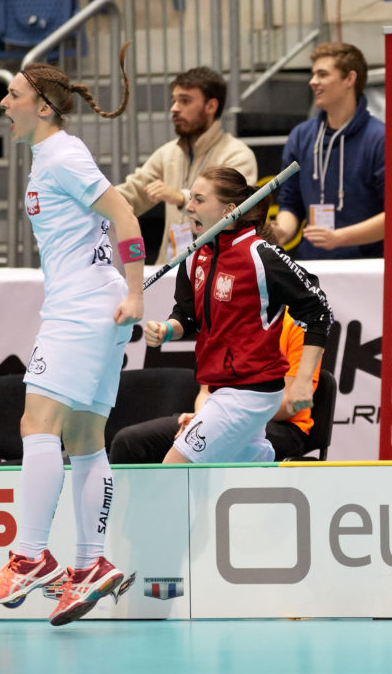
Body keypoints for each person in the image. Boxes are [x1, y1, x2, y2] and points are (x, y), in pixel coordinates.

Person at [0, 44, 144, 627]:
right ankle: (90, 565)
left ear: (43, 107)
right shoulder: (51, 155)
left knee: (36, 426)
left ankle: (28, 556)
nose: (4, 103)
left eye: (14, 96)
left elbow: (124, 215)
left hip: (81, 310)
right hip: (95, 308)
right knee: (85, 438)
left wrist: (137, 293)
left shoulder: (63, 157)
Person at [143, 166, 333, 464]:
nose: (189, 206)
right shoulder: (193, 257)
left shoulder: (262, 256)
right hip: (219, 390)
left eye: (199, 199)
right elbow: (187, 316)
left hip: (252, 392)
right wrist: (166, 329)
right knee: (242, 476)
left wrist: (301, 381)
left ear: (228, 210)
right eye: (190, 198)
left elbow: (319, 310)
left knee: (174, 468)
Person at [113, 310, 319, 462]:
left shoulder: (296, 326)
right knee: (130, 442)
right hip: (221, 413)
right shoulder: (226, 321)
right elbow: (206, 391)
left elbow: (289, 405)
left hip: (282, 426)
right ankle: (123, 519)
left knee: (214, 447)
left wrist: (221, 417)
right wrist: (203, 418)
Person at [115, 66, 257, 265]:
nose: (174, 108)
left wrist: (182, 198)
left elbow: (233, 213)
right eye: (174, 101)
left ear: (211, 106)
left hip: (218, 271)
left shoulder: (237, 155)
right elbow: (132, 193)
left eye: (185, 101)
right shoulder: (168, 153)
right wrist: (93, 200)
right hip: (169, 272)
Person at [274, 42, 385, 259]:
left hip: (369, 268)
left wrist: (340, 238)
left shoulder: (379, 138)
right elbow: (290, 202)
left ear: (350, 79)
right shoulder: (301, 136)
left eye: (322, 74)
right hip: (313, 266)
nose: (313, 81)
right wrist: (281, 232)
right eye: (313, 74)